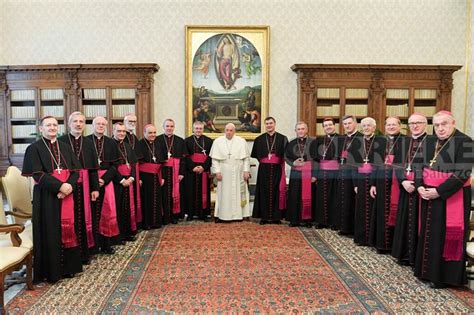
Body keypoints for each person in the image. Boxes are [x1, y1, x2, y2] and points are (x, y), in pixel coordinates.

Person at [414, 111, 473, 288]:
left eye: (444, 124)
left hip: (451, 196)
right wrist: (419, 185)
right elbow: (418, 165)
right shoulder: (430, 140)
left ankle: (443, 277)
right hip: (427, 194)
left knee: (443, 235)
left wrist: (438, 191)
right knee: (428, 234)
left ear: (453, 123)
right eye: (437, 125)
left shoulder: (466, 142)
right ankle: (426, 272)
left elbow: (462, 174)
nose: (440, 128)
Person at [22, 116, 82, 283]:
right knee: (51, 230)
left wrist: (68, 186)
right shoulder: (34, 148)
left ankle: (68, 268)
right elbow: (37, 174)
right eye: (48, 125)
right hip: (47, 196)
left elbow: (75, 171)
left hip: (66, 194)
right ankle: (52, 271)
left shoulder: (65, 147)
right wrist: (59, 187)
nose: (52, 127)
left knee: (68, 229)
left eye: (55, 125)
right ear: (41, 129)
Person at [58, 112, 99, 264]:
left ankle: (84, 253)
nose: (78, 124)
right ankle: (70, 255)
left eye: (81, 121)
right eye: (75, 121)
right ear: (69, 124)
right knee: (71, 218)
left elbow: (94, 168)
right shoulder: (61, 141)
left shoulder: (88, 142)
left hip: (86, 186)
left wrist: (95, 188)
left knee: (84, 217)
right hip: (68, 185)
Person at [391, 113, 429, 266]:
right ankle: (404, 255)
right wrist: (404, 182)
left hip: (421, 188)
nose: (415, 126)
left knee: (419, 222)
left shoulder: (431, 142)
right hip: (406, 187)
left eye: (418, 122)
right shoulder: (404, 142)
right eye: (412, 123)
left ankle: (416, 258)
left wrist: (417, 183)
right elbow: (397, 165)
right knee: (405, 220)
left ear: (425, 124)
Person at [369, 116, 405, 254]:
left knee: (395, 212)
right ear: (384, 127)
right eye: (388, 125)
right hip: (381, 183)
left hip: (397, 184)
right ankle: (381, 244)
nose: (390, 127)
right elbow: (375, 164)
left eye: (393, 125)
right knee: (381, 213)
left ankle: (394, 247)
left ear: (399, 126)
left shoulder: (405, 141)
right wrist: (373, 184)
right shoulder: (379, 142)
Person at [87, 116, 120, 255]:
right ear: (93, 125)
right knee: (92, 213)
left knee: (107, 213)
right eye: (98, 124)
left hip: (106, 182)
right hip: (90, 182)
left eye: (103, 124)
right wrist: (95, 181)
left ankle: (106, 244)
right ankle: (93, 245)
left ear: (106, 126)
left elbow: (115, 165)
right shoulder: (86, 141)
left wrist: (104, 179)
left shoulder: (111, 143)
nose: (100, 126)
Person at [352, 117, 384, 246]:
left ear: (374, 127)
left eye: (368, 126)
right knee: (360, 209)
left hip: (373, 179)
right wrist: (354, 184)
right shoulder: (357, 143)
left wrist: (374, 183)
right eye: (364, 126)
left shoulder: (381, 142)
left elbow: (380, 164)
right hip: (360, 180)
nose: (366, 128)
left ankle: (372, 239)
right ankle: (361, 238)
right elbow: (353, 165)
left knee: (373, 209)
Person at [210, 123, 251, 221]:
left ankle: (238, 215)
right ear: (224, 130)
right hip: (224, 171)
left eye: (231, 130)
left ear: (234, 131)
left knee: (238, 192)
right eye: (227, 130)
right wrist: (217, 172)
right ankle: (223, 215)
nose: (228, 132)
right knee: (224, 194)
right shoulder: (217, 141)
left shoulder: (241, 141)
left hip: (238, 170)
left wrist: (246, 171)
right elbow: (215, 160)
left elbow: (246, 158)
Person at [251, 117, 288, 224]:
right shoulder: (259, 139)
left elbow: (286, 155)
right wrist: (266, 160)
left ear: (275, 124)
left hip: (277, 169)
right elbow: (257, 155)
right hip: (264, 170)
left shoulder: (282, 138)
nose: (269, 125)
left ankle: (277, 217)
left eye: (271, 123)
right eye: (267, 123)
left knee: (277, 191)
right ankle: (264, 217)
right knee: (263, 192)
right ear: (264, 125)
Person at [285, 121, 316, 227]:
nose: (301, 131)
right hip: (296, 172)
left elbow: (317, 160)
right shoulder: (291, 142)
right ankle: (294, 220)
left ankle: (307, 220)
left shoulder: (313, 142)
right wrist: (293, 163)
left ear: (307, 130)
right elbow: (286, 157)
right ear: (295, 131)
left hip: (309, 172)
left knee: (308, 196)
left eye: (303, 129)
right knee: (295, 195)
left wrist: (315, 175)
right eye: (298, 129)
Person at [156, 119, 186, 224]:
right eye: (167, 126)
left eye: (171, 126)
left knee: (175, 193)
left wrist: (181, 172)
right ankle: (164, 217)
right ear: (163, 127)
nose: (169, 128)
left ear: (174, 127)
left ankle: (174, 216)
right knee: (163, 193)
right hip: (163, 171)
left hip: (176, 171)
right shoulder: (157, 139)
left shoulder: (180, 140)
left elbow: (183, 159)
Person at [312, 118, 339, 229]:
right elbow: (315, 159)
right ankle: (321, 221)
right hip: (322, 172)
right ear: (323, 128)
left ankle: (334, 222)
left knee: (334, 197)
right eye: (325, 125)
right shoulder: (318, 140)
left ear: (334, 126)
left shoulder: (341, 139)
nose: (328, 127)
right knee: (321, 197)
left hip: (336, 173)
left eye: (330, 125)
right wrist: (314, 174)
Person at [113, 122, 138, 243]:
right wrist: (122, 180)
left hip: (129, 181)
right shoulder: (110, 145)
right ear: (113, 131)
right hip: (117, 183)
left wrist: (132, 178)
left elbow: (133, 165)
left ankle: (128, 233)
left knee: (128, 208)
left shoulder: (128, 146)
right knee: (118, 209)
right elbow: (111, 166)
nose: (122, 133)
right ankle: (119, 235)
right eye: (119, 131)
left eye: (123, 131)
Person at [336, 115, 361, 235]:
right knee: (344, 200)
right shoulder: (342, 139)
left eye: (349, 123)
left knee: (353, 202)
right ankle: (344, 227)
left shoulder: (361, 138)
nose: (347, 126)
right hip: (343, 172)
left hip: (355, 174)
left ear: (355, 123)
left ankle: (353, 229)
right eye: (345, 124)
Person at [184, 121, 213, 221]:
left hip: (203, 172)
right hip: (191, 171)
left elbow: (210, 157)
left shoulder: (209, 141)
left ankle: (204, 214)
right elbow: (186, 157)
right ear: (193, 129)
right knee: (190, 192)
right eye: (196, 128)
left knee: (204, 192)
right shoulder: (187, 141)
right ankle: (190, 214)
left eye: (200, 128)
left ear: (203, 129)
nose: (198, 130)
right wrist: (193, 167)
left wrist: (203, 167)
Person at [137, 124, 164, 229]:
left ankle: (156, 222)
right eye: (150, 133)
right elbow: (137, 163)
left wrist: (162, 177)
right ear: (144, 133)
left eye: (154, 133)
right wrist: (139, 178)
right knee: (146, 199)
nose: (153, 135)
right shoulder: (139, 144)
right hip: (145, 177)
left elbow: (161, 162)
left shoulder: (158, 143)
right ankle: (147, 223)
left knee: (157, 198)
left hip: (156, 176)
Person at [124, 113, 143, 228]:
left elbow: (137, 160)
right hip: (125, 174)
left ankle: (134, 224)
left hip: (134, 171)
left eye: (134, 122)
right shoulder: (121, 136)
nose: (132, 123)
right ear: (125, 122)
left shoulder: (134, 137)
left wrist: (138, 177)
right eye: (129, 121)